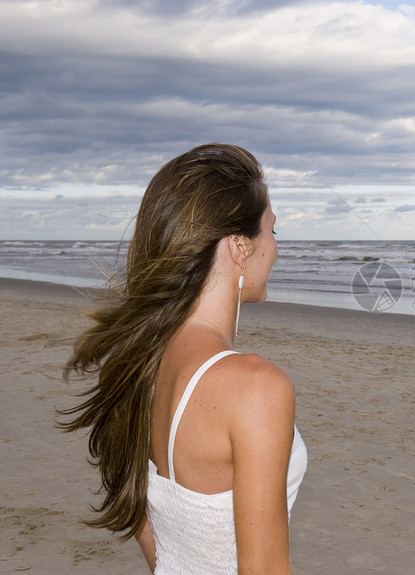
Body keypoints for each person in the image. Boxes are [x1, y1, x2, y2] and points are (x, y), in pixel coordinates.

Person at [60, 143, 307, 574]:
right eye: (272, 231)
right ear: (239, 247)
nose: (277, 247)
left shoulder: (140, 361)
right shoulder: (255, 386)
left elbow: (142, 523)